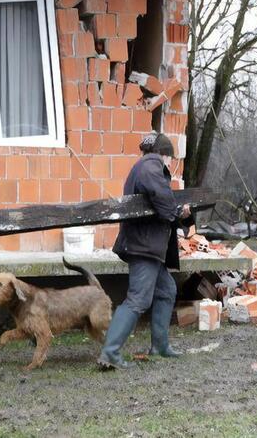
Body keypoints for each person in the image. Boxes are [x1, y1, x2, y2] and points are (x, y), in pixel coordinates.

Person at [98, 133, 192, 370]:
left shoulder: (142, 166)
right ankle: (110, 353)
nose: (170, 164)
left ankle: (160, 346)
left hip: (146, 246)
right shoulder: (151, 165)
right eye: (171, 158)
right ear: (165, 154)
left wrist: (175, 211)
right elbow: (161, 197)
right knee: (138, 298)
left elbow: (159, 199)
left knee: (167, 289)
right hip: (143, 246)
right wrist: (175, 212)